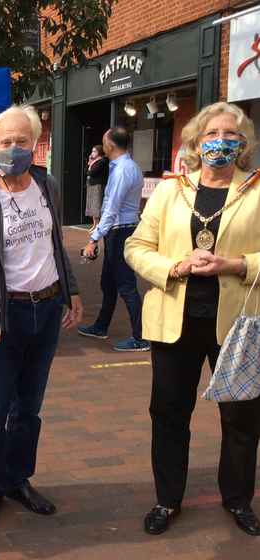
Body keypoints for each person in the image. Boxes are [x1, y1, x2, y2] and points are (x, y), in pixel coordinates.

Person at [124, 102, 260, 537]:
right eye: (211, 134)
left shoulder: (256, 190)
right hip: (173, 319)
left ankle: (237, 499)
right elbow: (136, 246)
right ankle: (167, 499)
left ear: (242, 144)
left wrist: (236, 264)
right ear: (196, 143)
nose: (221, 141)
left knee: (242, 415)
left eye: (231, 134)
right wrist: (174, 268)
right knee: (168, 412)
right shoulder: (170, 191)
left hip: (237, 323)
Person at [0, 105, 83, 530]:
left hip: (47, 308)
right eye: (5, 142)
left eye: (22, 141)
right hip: (4, 315)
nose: (14, 148)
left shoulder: (47, 185)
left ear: (35, 144)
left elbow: (54, 243)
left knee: (29, 407)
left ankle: (19, 478)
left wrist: (72, 291)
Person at [79, 127, 149, 352]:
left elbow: (111, 209)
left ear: (110, 145)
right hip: (119, 230)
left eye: (103, 142)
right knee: (108, 283)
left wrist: (94, 238)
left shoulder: (122, 171)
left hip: (120, 232)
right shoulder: (128, 166)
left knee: (126, 285)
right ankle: (101, 326)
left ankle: (141, 337)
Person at [85, 145, 108, 232]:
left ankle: (98, 225)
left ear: (99, 152)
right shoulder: (94, 162)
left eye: (94, 151)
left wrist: (90, 164)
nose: (92, 153)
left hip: (98, 185)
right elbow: (87, 172)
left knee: (97, 205)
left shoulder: (102, 161)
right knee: (92, 205)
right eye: (92, 151)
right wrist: (90, 162)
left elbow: (91, 172)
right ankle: (94, 225)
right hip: (91, 184)